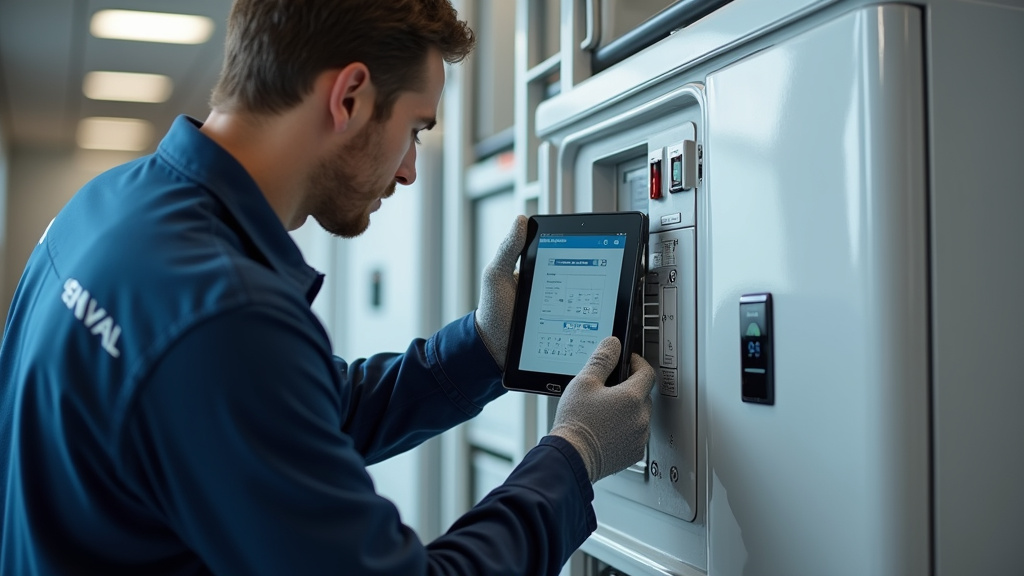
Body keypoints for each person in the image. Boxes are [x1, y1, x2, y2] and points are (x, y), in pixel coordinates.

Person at [0, 0, 656, 574]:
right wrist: (575, 457)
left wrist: (483, 347)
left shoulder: (107, 206)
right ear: (349, 98)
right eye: (416, 129)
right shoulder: (226, 314)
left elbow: (288, 416)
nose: (408, 171)